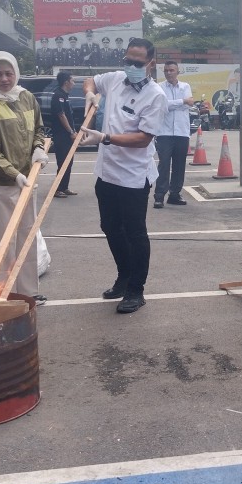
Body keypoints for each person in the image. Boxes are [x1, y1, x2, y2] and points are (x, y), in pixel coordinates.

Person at [80, 37, 167, 314]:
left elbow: (143, 138)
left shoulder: (156, 96)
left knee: (135, 233)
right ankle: (124, 276)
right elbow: (91, 80)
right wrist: (90, 94)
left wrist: (105, 137)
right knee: (109, 227)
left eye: (137, 62)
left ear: (151, 63)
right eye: (127, 60)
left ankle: (136, 290)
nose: (130, 66)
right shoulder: (116, 79)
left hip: (133, 177)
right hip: (106, 173)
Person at [0, 52, 48, 301]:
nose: (4, 79)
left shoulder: (26, 98)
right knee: (3, 242)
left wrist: (38, 148)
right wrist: (14, 174)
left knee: (26, 238)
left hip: (27, 181)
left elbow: (39, 129)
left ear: (16, 73)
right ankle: (3, 296)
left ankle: (27, 294)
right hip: (0, 185)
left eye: (8, 73)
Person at [153, 60, 194, 208]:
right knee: (164, 164)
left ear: (178, 71)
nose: (169, 73)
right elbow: (163, 106)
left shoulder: (185, 86)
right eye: (166, 70)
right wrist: (182, 101)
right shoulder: (159, 88)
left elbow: (188, 104)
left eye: (171, 70)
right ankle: (159, 196)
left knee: (179, 165)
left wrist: (175, 103)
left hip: (182, 132)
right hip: (164, 132)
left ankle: (175, 194)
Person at [50, 71, 78, 198]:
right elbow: (61, 115)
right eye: (72, 81)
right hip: (61, 136)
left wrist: (74, 130)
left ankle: (64, 187)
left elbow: (68, 116)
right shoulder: (58, 96)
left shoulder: (65, 96)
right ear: (66, 82)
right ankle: (57, 189)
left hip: (67, 135)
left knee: (68, 162)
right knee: (62, 162)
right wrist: (70, 132)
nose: (74, 83)